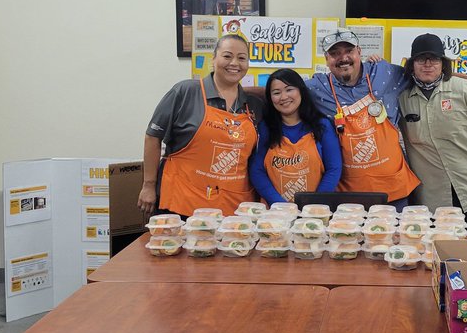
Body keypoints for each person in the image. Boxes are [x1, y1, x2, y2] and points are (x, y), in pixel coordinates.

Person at [138, 33, 262, 218]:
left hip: (233, 210)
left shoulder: (253, 104)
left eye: (242, 58)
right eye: (227, 56)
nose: (234, 63)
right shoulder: (186, 92)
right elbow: (153, 137)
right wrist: (148, 185)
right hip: (182, 203)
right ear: (214, 59)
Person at [398, 33, 467, 236]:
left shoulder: (463, 89)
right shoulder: (402, 98)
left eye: (434, 59)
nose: (428, 64)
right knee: (439, 251)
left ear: (443, 64)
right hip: (432, 199)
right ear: (412, 65)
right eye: (421, 59)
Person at [306, 28, 419, 211]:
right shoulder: (317, 87)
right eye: (335, 54)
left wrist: (460, 78)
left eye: (349, 51)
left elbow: (424, 74)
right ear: (326, 59)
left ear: (359, 52)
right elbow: (281, 89)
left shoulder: (384, 72)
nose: (343, 58)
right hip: (348, 198)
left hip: (394, 193)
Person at [250, 68, 343, 204]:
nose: (283, 97)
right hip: (275, 211)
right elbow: (256, 171)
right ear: (270, 98)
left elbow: (334, 168)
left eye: (289, 90)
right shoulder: (265, 128)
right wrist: (280, 205)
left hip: (316, 210)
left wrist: (314, 204)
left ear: (301, 91)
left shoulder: (322, 125)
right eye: (276, 93)